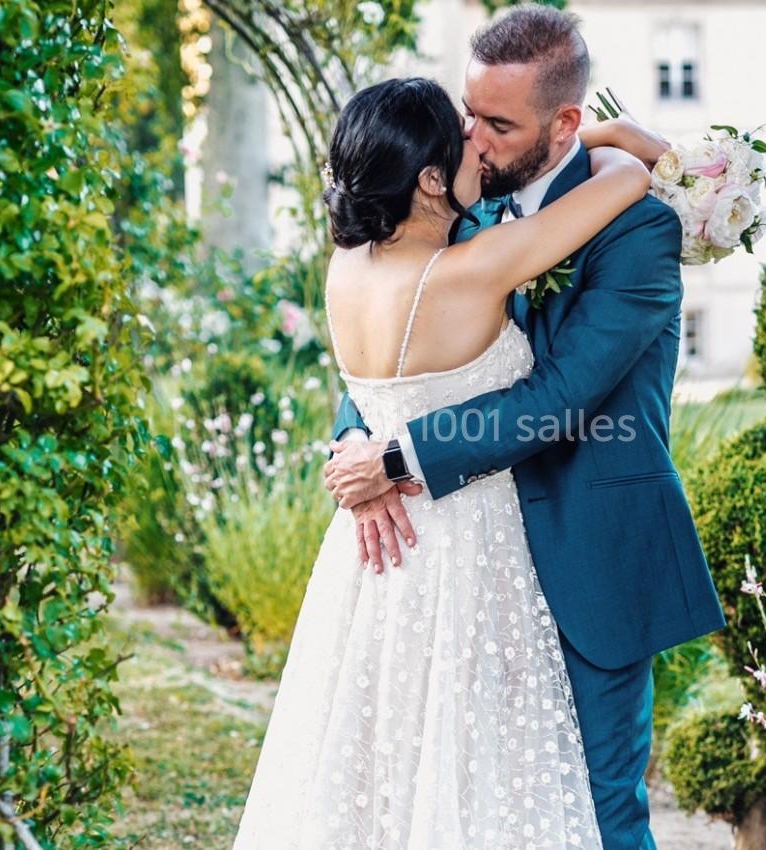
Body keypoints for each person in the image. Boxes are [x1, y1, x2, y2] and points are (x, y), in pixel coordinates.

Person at [232, 66, 707, 850]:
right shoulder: (479, 260)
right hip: (469, 557)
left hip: (385, 560)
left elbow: (386, 391)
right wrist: (618, 142)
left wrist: (375, 453)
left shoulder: (346, 263)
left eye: (490, 127)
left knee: (399, 782)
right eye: (462, 135)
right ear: (427, 178)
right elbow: (625, 180)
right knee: (485, 787)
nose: (477, 148)